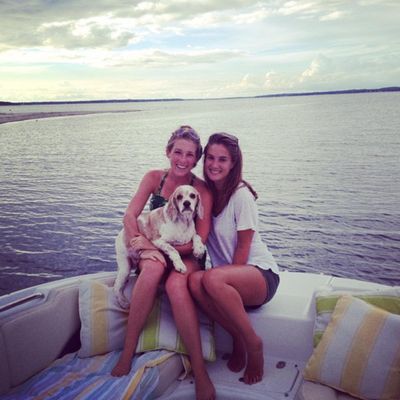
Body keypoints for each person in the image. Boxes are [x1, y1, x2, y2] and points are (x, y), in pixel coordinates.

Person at [111, 125, 216, 400]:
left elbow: (199, 240)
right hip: (156, 242)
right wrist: (140, 243)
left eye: (190, 154)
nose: (183, 159)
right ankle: (127, 352)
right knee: (150, 270)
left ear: (196, 159)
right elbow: (130, 216)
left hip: (186, 252)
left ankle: (200, 370)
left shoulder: (201, 190)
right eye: (178, 152)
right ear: (168, 152)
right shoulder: (153, 178)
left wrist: (156, 246)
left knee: (176, 286)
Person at [189, 132, 280, 385]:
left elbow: (243, 248)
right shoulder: (204, 195)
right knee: (194, 281)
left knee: (211, 278)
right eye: (210, 158)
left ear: (233, 164)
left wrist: (221, 279)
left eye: (222, 159)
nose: (214, 165)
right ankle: (236, 337)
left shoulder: (241, 196)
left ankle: (253, 344)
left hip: (260, 276)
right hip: (225, 283)